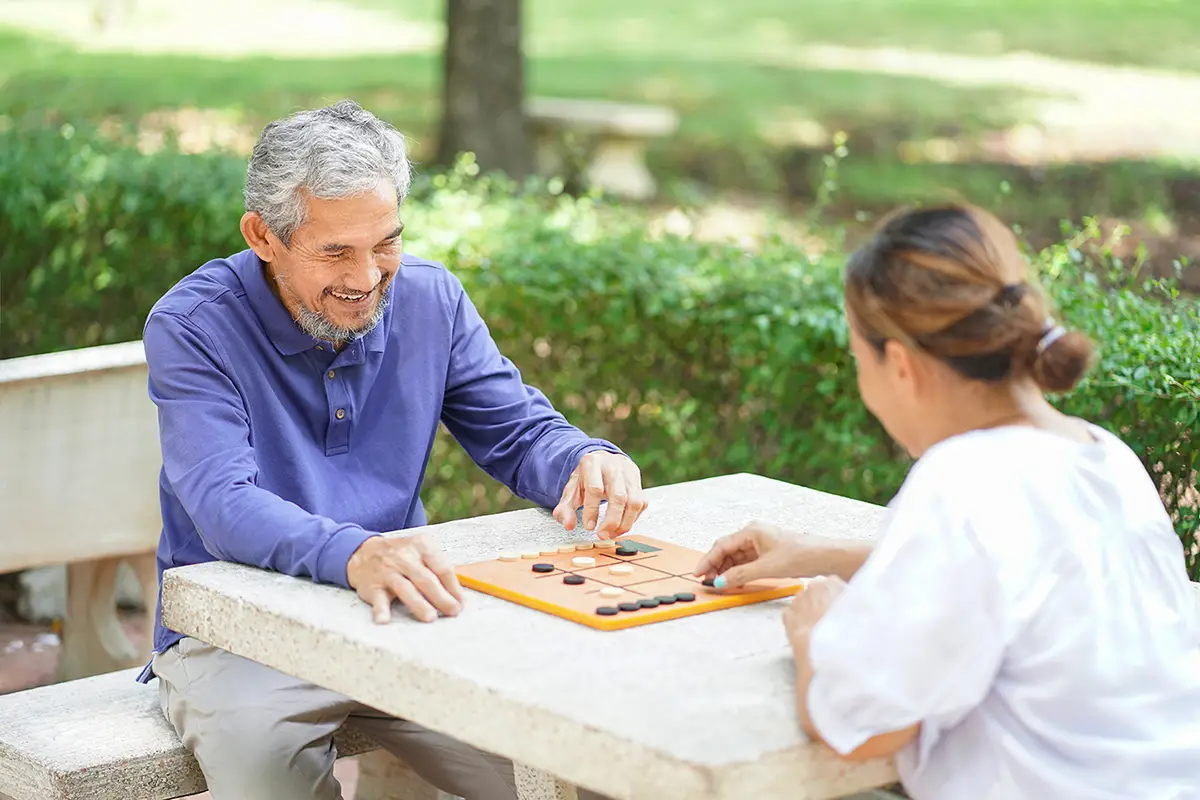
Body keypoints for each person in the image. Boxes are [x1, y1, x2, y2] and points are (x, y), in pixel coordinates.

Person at [136, 100, 647, 800]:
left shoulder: (431, 299)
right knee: (268, 778)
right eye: (336, 251)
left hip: (404, 608)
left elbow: (520, 433)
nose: (369, 277)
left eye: (386, 243)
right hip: (237, 631)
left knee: (570, 772)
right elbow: (225, 504)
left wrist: (585, 457)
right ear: (263, 236)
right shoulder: (192, 326)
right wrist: (353, 552)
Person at [694, 204, 1200, 799]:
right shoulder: (1103, 455)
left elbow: (863, 727)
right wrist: (817, 553)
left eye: (861, 361)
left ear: (902, 366)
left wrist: (815, 637)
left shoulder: (963, 480)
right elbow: (1010, 578)